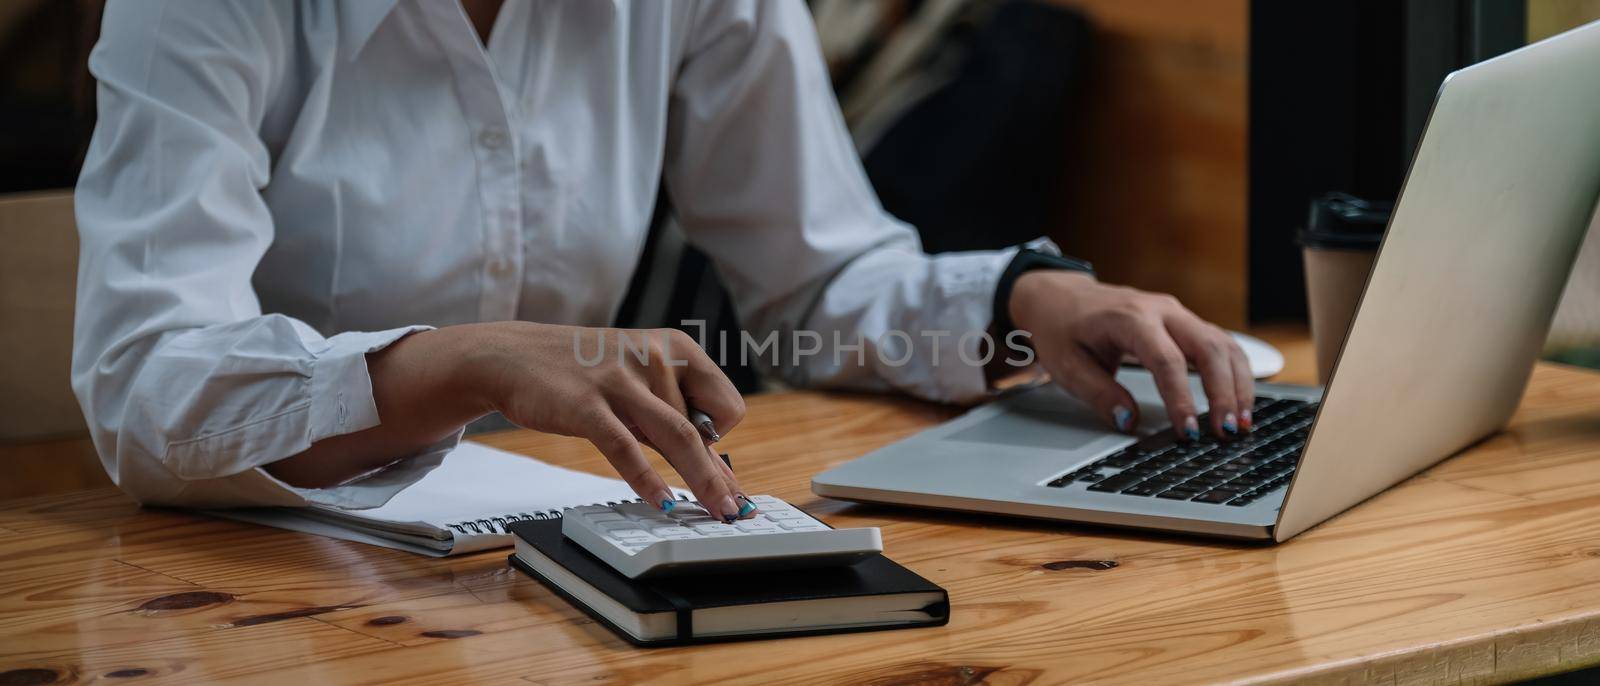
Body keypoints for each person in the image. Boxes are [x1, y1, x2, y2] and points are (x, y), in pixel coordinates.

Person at [72, 0, 1253, 523]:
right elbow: (143, 382)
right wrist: (461, 361)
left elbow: (821, 281)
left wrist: (1020, 299)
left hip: (566, 554)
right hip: (253, 585)